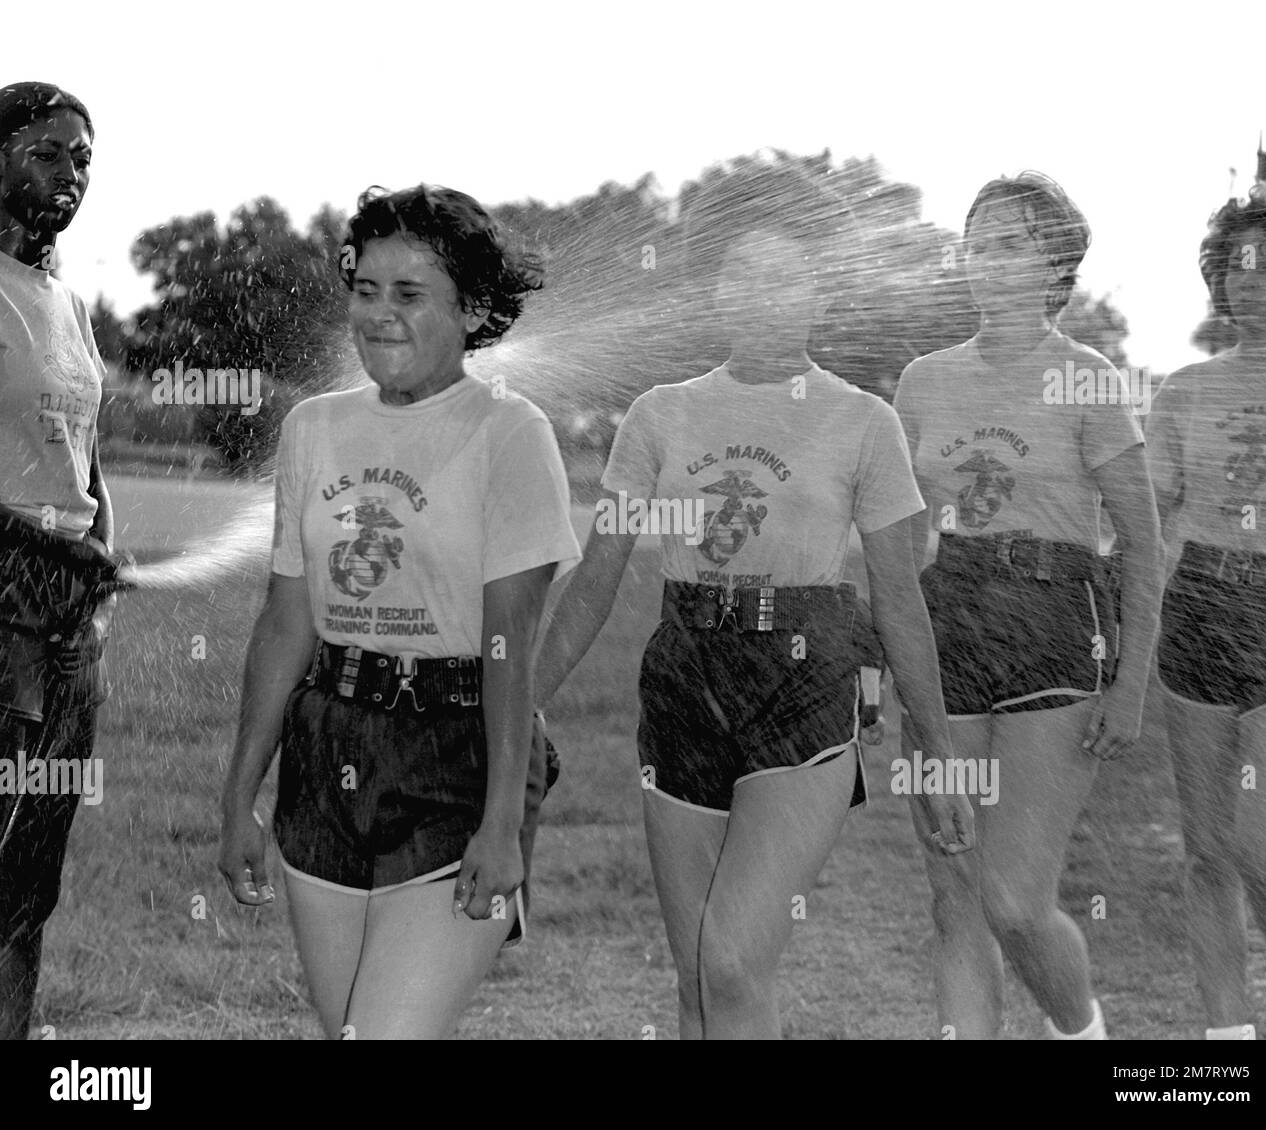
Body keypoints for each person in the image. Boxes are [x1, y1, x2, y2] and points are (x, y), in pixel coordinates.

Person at [535, 162, 973, 1041]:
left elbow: (899, 600)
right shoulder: (660, 415)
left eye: (786, 274)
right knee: (700, 977)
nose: (762, 294)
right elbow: (597, 576)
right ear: (712, 288)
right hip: (685, 675)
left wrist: (937, 752)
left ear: (820, 288)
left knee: (732, 957)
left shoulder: (863, 421)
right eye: (742, 273)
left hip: (805, 682)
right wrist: (522, 701)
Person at [218, 185, 580, 1039]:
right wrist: (239, 797)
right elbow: (285, 626)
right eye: (366, 289)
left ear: (473, 312)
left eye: (409, 295)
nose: (379, 315)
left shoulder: (510, 432)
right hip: (328, 747)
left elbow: (509, 647)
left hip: (457, 758)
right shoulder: (314, 428)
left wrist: (502, 823)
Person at [893, 172, 1162, 1040]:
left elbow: (1144, 546)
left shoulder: (1089, 380)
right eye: (978, 242)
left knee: (1012, 900)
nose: (986, 258)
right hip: (949, 627)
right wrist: (877, 659)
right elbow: (896, 542)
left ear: (1057, 265)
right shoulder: (924, 380)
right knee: (955, 897)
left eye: (1010, 242)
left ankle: (1081, 1032)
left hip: (1054, 628)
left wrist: (1130, 687)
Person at [1146, 169, 1266, 1040]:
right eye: (1236, 262)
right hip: (1200, 604)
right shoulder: (1185, 391)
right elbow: (1143, 512)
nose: (1249, 276)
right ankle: (1228, 1051)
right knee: (1207, 853)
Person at [0, 81, 117, 1041]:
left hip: (68, 617)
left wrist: (97, 552)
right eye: (47, 152)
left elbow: (84, 461)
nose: (71, 174)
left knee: (32, 872)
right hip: (4, 611)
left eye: (82, 157)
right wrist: (43, 551)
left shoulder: (66, 303)